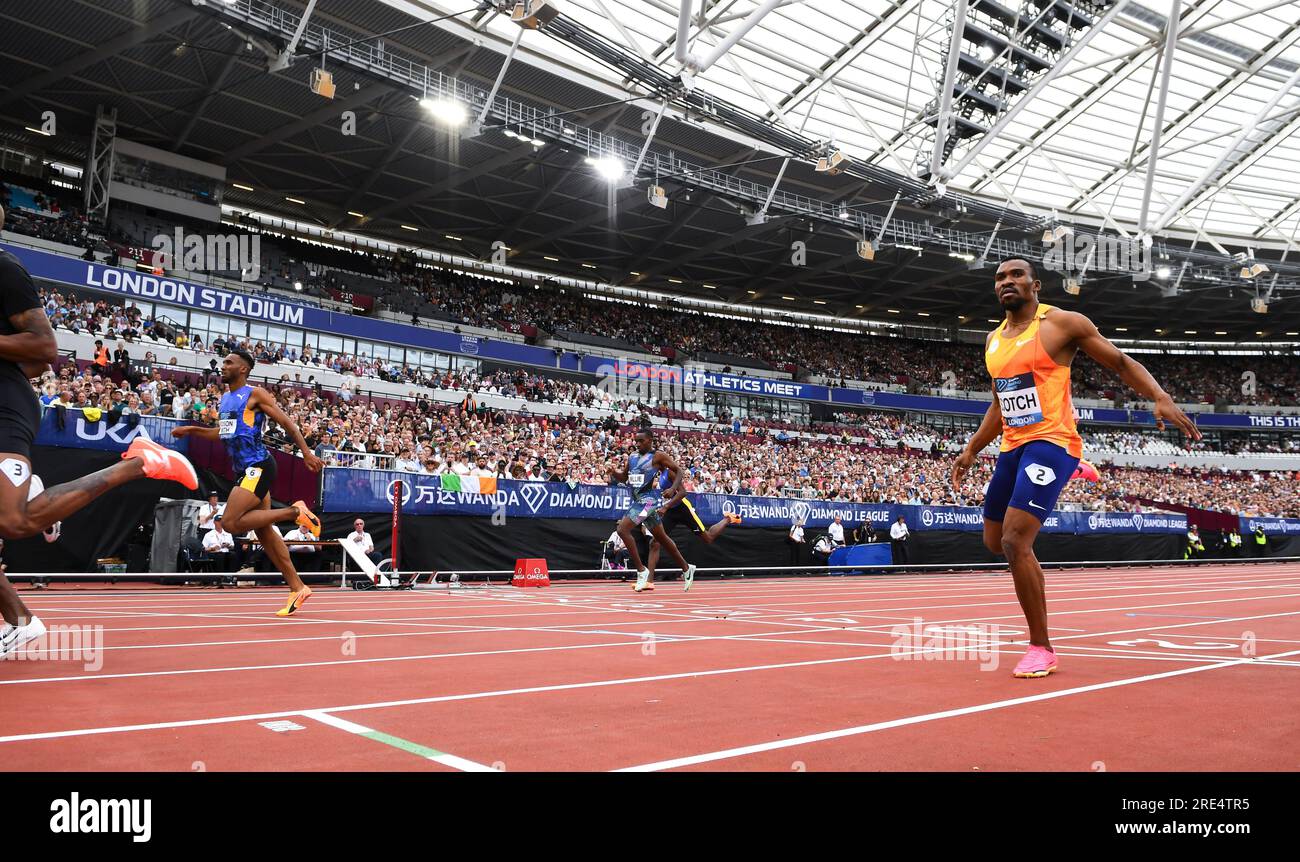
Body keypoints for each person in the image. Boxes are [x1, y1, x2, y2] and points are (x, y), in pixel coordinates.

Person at [951, 257, 1200, 679]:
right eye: (999, 278)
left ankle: (1041, 647)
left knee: (1015, 542)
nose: (1006, 282)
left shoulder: (1061, 324)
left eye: (1015, 275)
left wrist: (1159, 396)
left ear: (1036, 285)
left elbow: (1120, 362)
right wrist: (972, 449)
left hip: (1051, 443)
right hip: (1013, 447)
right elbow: (999, 402)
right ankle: (1076, 467)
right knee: (993, 542)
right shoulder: (993, 340)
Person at [0, 205, 196, 657]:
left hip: (4, 405)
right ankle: (20, 621)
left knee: (13, 521)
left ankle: (139, 463)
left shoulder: (3, 268)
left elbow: (43, 349)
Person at [172, 348, 323, 616]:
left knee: (229, 522)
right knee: (264, 531)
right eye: (223, 362)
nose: (223, 366)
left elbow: (287, 423)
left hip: (259, 466)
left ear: (243, 369)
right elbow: (224, 434)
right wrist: (192, 429)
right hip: (244, 470)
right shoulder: (227, 398)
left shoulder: (255, 394)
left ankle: (295, 511)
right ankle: (297, 587)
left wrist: (306, 453)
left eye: (229, 362)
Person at [606, 428, 697, 592]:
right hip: (637, 501)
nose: (638, 444)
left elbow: (679, 471)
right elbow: (624, 478)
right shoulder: (632, 457)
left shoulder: (658, 456)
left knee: (622, 529)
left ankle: (641, 571)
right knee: (661, 538)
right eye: (636, 441)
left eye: (641, 441)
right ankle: (686, 567)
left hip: (648, 502)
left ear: (650, 440)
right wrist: (614, 473)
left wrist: (673, 488)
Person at [645, 466, 741, 584]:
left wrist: (665, 506)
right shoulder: (659, 475)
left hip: (683, 508)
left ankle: (728, 519)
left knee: (708, 538)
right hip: (671, 511)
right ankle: (649, 581)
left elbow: (683, 493)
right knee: (655, 542)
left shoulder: (669, 472)